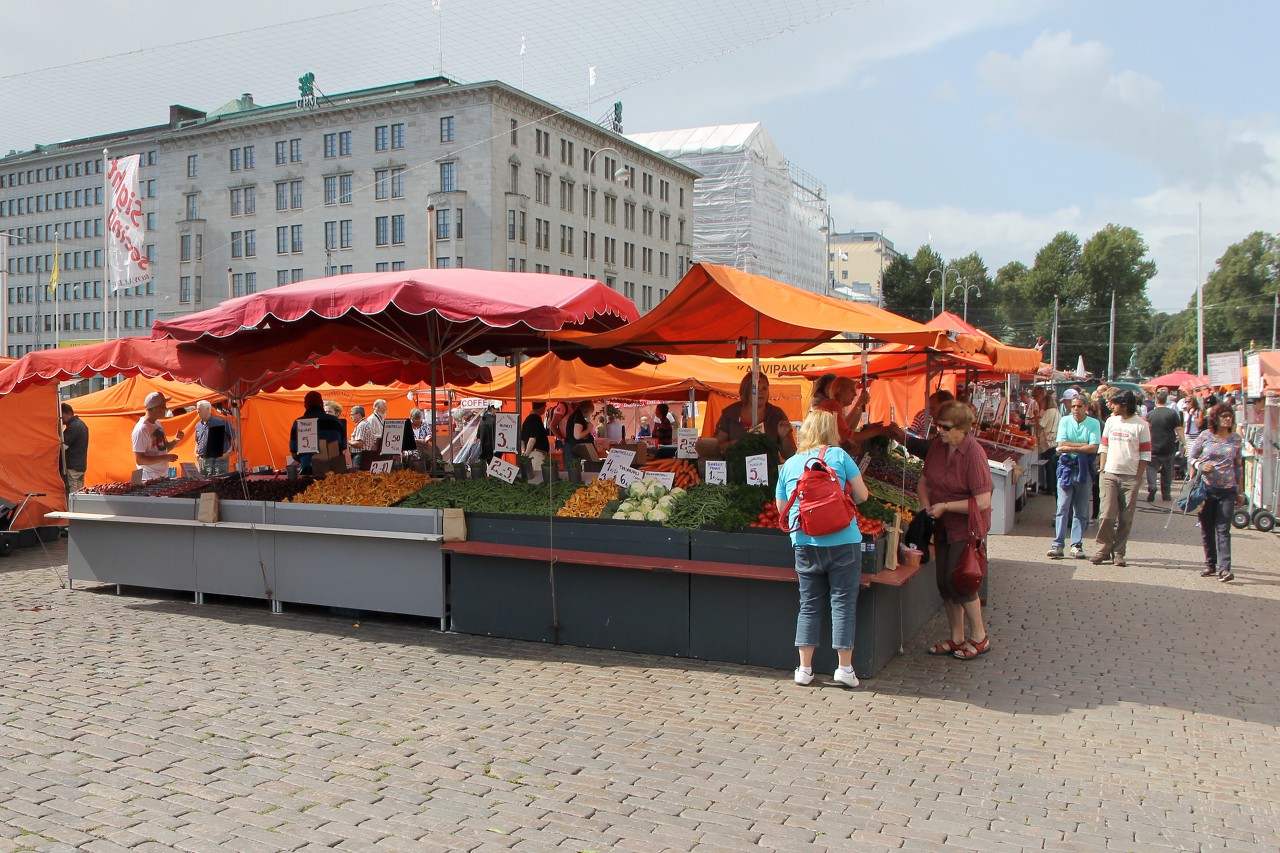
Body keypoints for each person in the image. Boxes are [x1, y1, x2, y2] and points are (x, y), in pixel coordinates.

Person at [775, 408, 870, 688]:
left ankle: (804, 669)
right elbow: (862, 495)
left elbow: (783, 509)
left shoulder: (791, 463)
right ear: (832, 431)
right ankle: (844, 669)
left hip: (805, 543)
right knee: (842, 603)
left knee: (809, 605)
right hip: (844, 541)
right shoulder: (839, 457)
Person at [919, 401, 994, 661]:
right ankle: (957, 637)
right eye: (938, 425)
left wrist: (947, 506)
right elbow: (924, 481)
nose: (939, 430)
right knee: (945, 584)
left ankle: (980, 637)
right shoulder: (938, 447)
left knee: (962, 582)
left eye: (946, 427)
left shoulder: (973, 453)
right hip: (941, 525)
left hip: (967, 528)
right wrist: (927, 508)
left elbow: (983, 501)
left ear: (963, 429)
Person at [1092, 390, 1150, 567]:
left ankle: (1119, 552)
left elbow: (1145, 455)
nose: (1111, 406)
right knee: (1107, 514)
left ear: (1125, 405)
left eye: (1115, 403)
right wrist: (1102, 469)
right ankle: (1103, 548)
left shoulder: (1141, 425)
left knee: (1126, 517)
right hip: (1109, 474)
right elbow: (1104, 447)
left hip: (1130, 477)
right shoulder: (1111, 421)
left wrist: (1138, 478)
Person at [1188, 404, 1245, 583]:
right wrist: (1199, 465)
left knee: (1223, 528)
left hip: (1227, 490)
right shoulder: (1206, 436)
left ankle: (1225, 568)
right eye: (1223, 416)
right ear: (1215, 418)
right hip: (1206, 488)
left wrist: (1240, 491)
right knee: (1207, 528)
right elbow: (1191, 457)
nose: (1228, 419)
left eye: (1230, 416)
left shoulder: (1236, 439)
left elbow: (1238, 467)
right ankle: (1210, 563)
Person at [1047, 394, 1101, 560]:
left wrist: (1071, 447)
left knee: (1081, 509)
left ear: (1086, 407)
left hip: (1084, 470)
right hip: (1067, 468)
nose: (1075, 409)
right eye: (1073, 406)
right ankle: (1058, 544)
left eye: (1079, 406)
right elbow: (1061, 445)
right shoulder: (1065, 421)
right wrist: (1082, 446)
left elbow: (1094, 447)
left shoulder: (1094, 423)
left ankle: (1076, 544)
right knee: (1062, 506)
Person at [715, 373, 797, 458]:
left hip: (769, 469)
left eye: (764, 388)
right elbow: (715, 447)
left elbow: (790, 454)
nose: (761, 392)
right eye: (756, 388)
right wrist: (735, 444)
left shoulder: (776, 414)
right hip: (735, 468)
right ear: (746, 391)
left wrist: (784, 438)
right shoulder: (731, 413)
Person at [289, 390, 347, 475]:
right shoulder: (336, 421)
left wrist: (306, 459)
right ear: (322, 404)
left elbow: (293, 452)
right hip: (333, 471)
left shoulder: (298, 423)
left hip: (308, 470)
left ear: (305, 405)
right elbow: (343, 447)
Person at [132, 391, 184, 480]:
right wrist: (165, 457)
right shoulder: (141, 429)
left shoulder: (157, 423)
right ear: (155, 408)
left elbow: (164, 448)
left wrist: (176, 440)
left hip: (162, 477)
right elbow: (140, 460)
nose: (166, 408)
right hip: (148, 479)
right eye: (163, 406)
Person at [1144, 390, 1183, 501]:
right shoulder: (1172, 413)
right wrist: (1183, 442)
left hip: (1153, 447)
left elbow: (1146, 430)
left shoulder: (1150, 414)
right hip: (1168, 446)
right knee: (1167, 471)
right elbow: (1179, 428)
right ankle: (1166, 493)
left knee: (1151, 468)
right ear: (1166, 401)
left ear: (1156, 400)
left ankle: (1152, 487)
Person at [904, 389, 956, 460]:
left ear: (944, 408)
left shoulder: (952, 432)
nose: (930, 412)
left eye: (932, 408)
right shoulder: (948, 429)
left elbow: (930, 449)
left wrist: (903, 438)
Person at [194, 400, 235, 477]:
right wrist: (195, 453)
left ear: (208, 409)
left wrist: (228, 453)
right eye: (197, 409)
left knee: (220, 483)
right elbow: (197, 441)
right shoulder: (198, 425)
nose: (197, 411)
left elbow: (235, 439)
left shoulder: (221, 422)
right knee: (203, 485)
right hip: (203, 460)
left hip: (218, 460)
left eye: (200, 409)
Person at [60, 403, 89, 494]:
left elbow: (63, 446)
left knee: (72, 495)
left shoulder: (73, 427)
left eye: (61, 415)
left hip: (72, 467)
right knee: (80, 495)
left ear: (68, 413)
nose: (61, 418)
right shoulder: (82, 425)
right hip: (81, 466)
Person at [1037, 388, 1061, 495]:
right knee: (1052, 465)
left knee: (1049, 466)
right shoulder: (1057, 412)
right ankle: (1052, 487)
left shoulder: (1048, 412)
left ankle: (1050, 488)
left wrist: (1035, 418)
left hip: (1047, 442)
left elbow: (1041, 424)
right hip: (1054, 441)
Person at [351, 399, 385, 470]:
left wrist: (347, 442)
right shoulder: (370, 420)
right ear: (378, 407)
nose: (351, 416)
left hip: (361, 455)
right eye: (384, 406)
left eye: (352, 414)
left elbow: (359, 444)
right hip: (367, 455)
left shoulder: (362, 424)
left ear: (358, 414)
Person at [520, 402, 551, 469]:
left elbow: (522, 439)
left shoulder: (527, 420)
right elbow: (532, 439)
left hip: (531, 454)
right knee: (539, 477)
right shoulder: (535, 419)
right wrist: (526, 455)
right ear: (542, 407)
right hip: (537, 454)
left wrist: (524, 453)